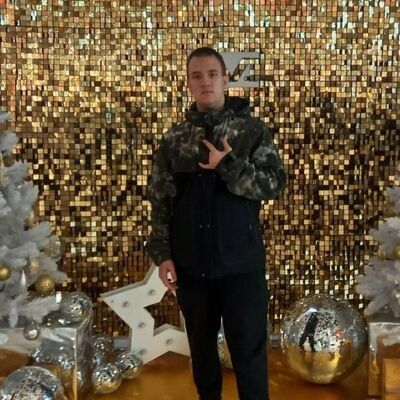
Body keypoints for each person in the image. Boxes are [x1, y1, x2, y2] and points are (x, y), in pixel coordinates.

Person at [146, 47, 286, 400]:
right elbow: (161, 200)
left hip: (242, 267)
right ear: (189, 83)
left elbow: (273, 185)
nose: (205, 82)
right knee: (202, 355)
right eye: (197, 76)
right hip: (191, 267)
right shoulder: (175, 139)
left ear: (225, 79)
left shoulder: (252, 132)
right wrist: (162, 254)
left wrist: (229, 165)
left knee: (250, 356)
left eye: (212, 74)